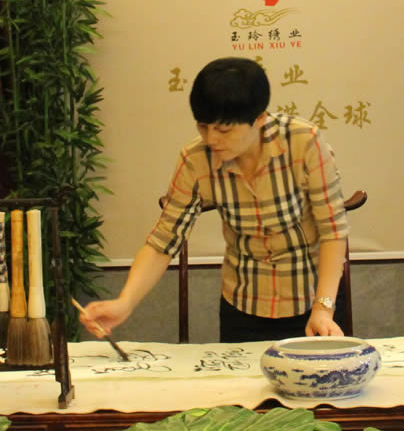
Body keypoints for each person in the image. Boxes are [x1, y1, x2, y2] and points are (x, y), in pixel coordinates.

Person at [80, 57, 349, 343]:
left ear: (259, 119)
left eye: (224, 130)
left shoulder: (303, 142)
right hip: (244, 306)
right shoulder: (196, 160)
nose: (211, 139)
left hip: (315, 301)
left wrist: (323, 308)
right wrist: (125, 302)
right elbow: (163, 241)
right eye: (203, 126)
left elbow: (332, 230)